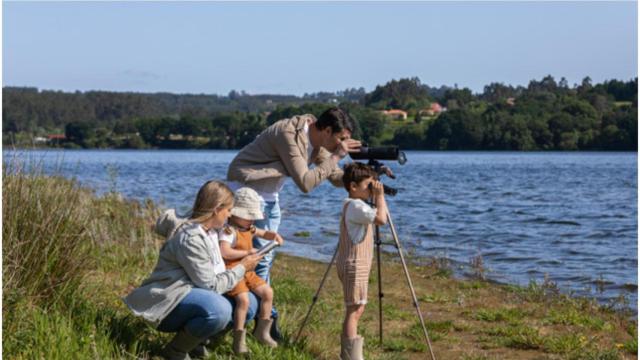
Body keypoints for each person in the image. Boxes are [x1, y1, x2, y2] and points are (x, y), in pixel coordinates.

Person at [226, 107, 361, 340]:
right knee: (259, 259)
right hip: (247, 194)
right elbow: (306, 183)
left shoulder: (320, 142)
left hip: (269, 197)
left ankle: (259, 320)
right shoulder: (289, 134)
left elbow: (335, 177)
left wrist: (360, 173)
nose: (343, 144)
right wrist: (337, 156)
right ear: (327, 130)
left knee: (265, 259)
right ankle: (262, 323)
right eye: (341, 138)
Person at [124, 180, 263, 360]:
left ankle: (197, 343)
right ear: (216, 209)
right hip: (169, 301)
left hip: (192, 292)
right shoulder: (191, 238)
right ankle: (176, 350)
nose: (230, 216)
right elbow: (211, 286)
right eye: (228, 210)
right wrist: (242, 267)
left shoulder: (213, 228)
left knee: (249, 304)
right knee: (219, 309)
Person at [219, 187, 284, 354]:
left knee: (268, 293)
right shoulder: (228, 231)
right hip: (234, 270)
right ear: (234, 213)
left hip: (248, 271)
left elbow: (263, 232)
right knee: (244, 301)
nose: (251, 220)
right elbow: (224, 252)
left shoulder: (249, 228)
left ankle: (262, 331)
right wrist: (247, 253)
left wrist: (273, 236)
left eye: (253, 217)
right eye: (248, 217)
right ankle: (238, 339)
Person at [336, 162, 388, 360]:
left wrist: (377, 196)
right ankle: (351, 356)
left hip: (355, 263)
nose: (371, 190)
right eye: (368, 186)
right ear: (353, 187)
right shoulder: (357, 206)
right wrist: (380, 197)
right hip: (354, 263)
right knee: (354, 309)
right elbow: (382, 220)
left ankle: (350, 351)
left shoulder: (355, 204)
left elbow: (381, 216)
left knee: (357, 307)